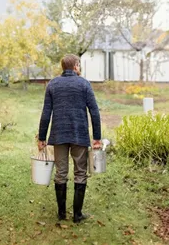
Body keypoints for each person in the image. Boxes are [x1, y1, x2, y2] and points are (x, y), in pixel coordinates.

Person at [38, 54, 102, 223]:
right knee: (80, 172)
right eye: (79, 65)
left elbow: (46, 113)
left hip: (58, 135)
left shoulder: (53, 85)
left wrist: (42, 137)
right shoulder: (84, 84)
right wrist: (97, 137)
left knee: (61, 173)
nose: (79, 68)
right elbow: (94, 112)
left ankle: (61, 214)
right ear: (75, 66)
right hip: (79, 135)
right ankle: (77, 215)